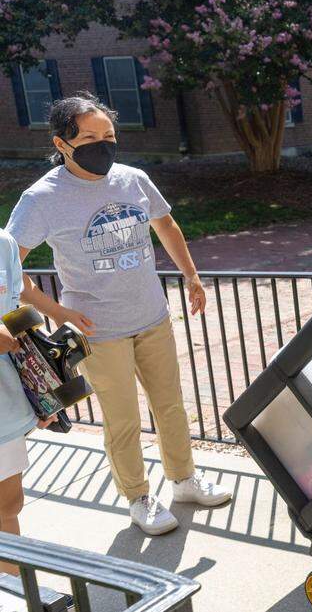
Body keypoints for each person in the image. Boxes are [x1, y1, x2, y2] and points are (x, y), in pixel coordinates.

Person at [6, 92, 232, 537]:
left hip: (152, 316)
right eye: (89, 137)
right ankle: (139, 498)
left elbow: (165, 225)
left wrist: (190, 275)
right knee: (123, 418)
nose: (103, 144)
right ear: (62, 142)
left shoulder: (133, 179)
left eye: (108, 135)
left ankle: (184, 480)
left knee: (171, 406)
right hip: (98, 330)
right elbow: (10, 268)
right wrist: (58, 310)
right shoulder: (42, 198)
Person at [0, 227, 56, 574]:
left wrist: (40, 395)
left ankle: (12, 592)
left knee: (9, 504)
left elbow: (14, 315)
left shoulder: (4, 243)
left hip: (6, 408)